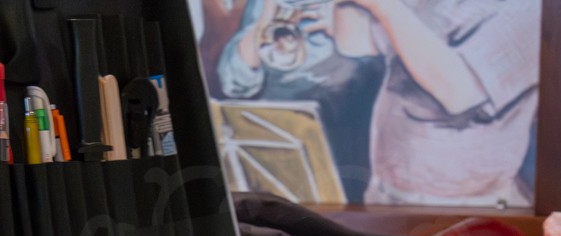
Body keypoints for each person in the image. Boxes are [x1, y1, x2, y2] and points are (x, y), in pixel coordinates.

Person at [328, 0, 542, 207]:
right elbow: (356, 45)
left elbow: (459, 94)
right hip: (386, 193)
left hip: (470, 206)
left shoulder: (530, 9)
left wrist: (384, 5)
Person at [216, 0, 384, 202]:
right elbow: (235, 84)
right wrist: (264, 21)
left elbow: (383, 69)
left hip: (346, 138)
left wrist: (347, 26)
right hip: (275, 138)